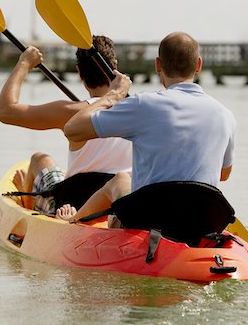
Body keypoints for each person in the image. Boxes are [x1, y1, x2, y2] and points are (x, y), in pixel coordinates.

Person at [57, 31, 236, 222]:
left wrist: (114, 94)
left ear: (158, 65)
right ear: (199, 64)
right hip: (200, 221)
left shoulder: (143, 104)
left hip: (149, 220)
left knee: (120, 180)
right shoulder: (226, 115)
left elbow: (73, 130)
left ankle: (73, 220)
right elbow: (223, 174)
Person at [0, 35, 132, 215]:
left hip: (73, 204)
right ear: (115, 68)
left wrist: (24, 63)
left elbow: (4, 111)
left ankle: (27, 202)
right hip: (119, 198)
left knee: (39, 158)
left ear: (79, 73)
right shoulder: (138, 108)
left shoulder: (70, 111)